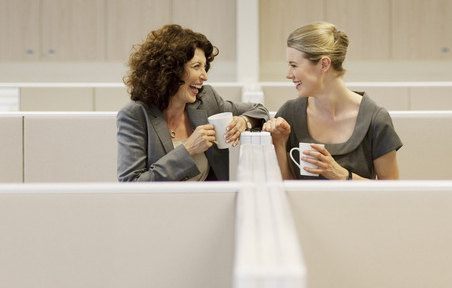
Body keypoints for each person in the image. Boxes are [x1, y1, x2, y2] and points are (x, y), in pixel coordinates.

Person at [117, 24, 269, 182]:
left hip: (211, 203)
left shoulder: (206, 100)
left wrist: (245, 122)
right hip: (162, 206)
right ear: (169, 70)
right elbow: (131, 183)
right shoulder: (135, 115)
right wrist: (188, 149)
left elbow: (260, 110)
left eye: (205, 67)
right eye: (196, 66)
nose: (204, 76)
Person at [262, 22, 402, 180]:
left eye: (294, 65)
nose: (289, 74)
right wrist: (279, 143)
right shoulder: (289, 114)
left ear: (324, 64)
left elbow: (391, 191)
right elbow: (287, 188)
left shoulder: (375, 119)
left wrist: (342, 175)